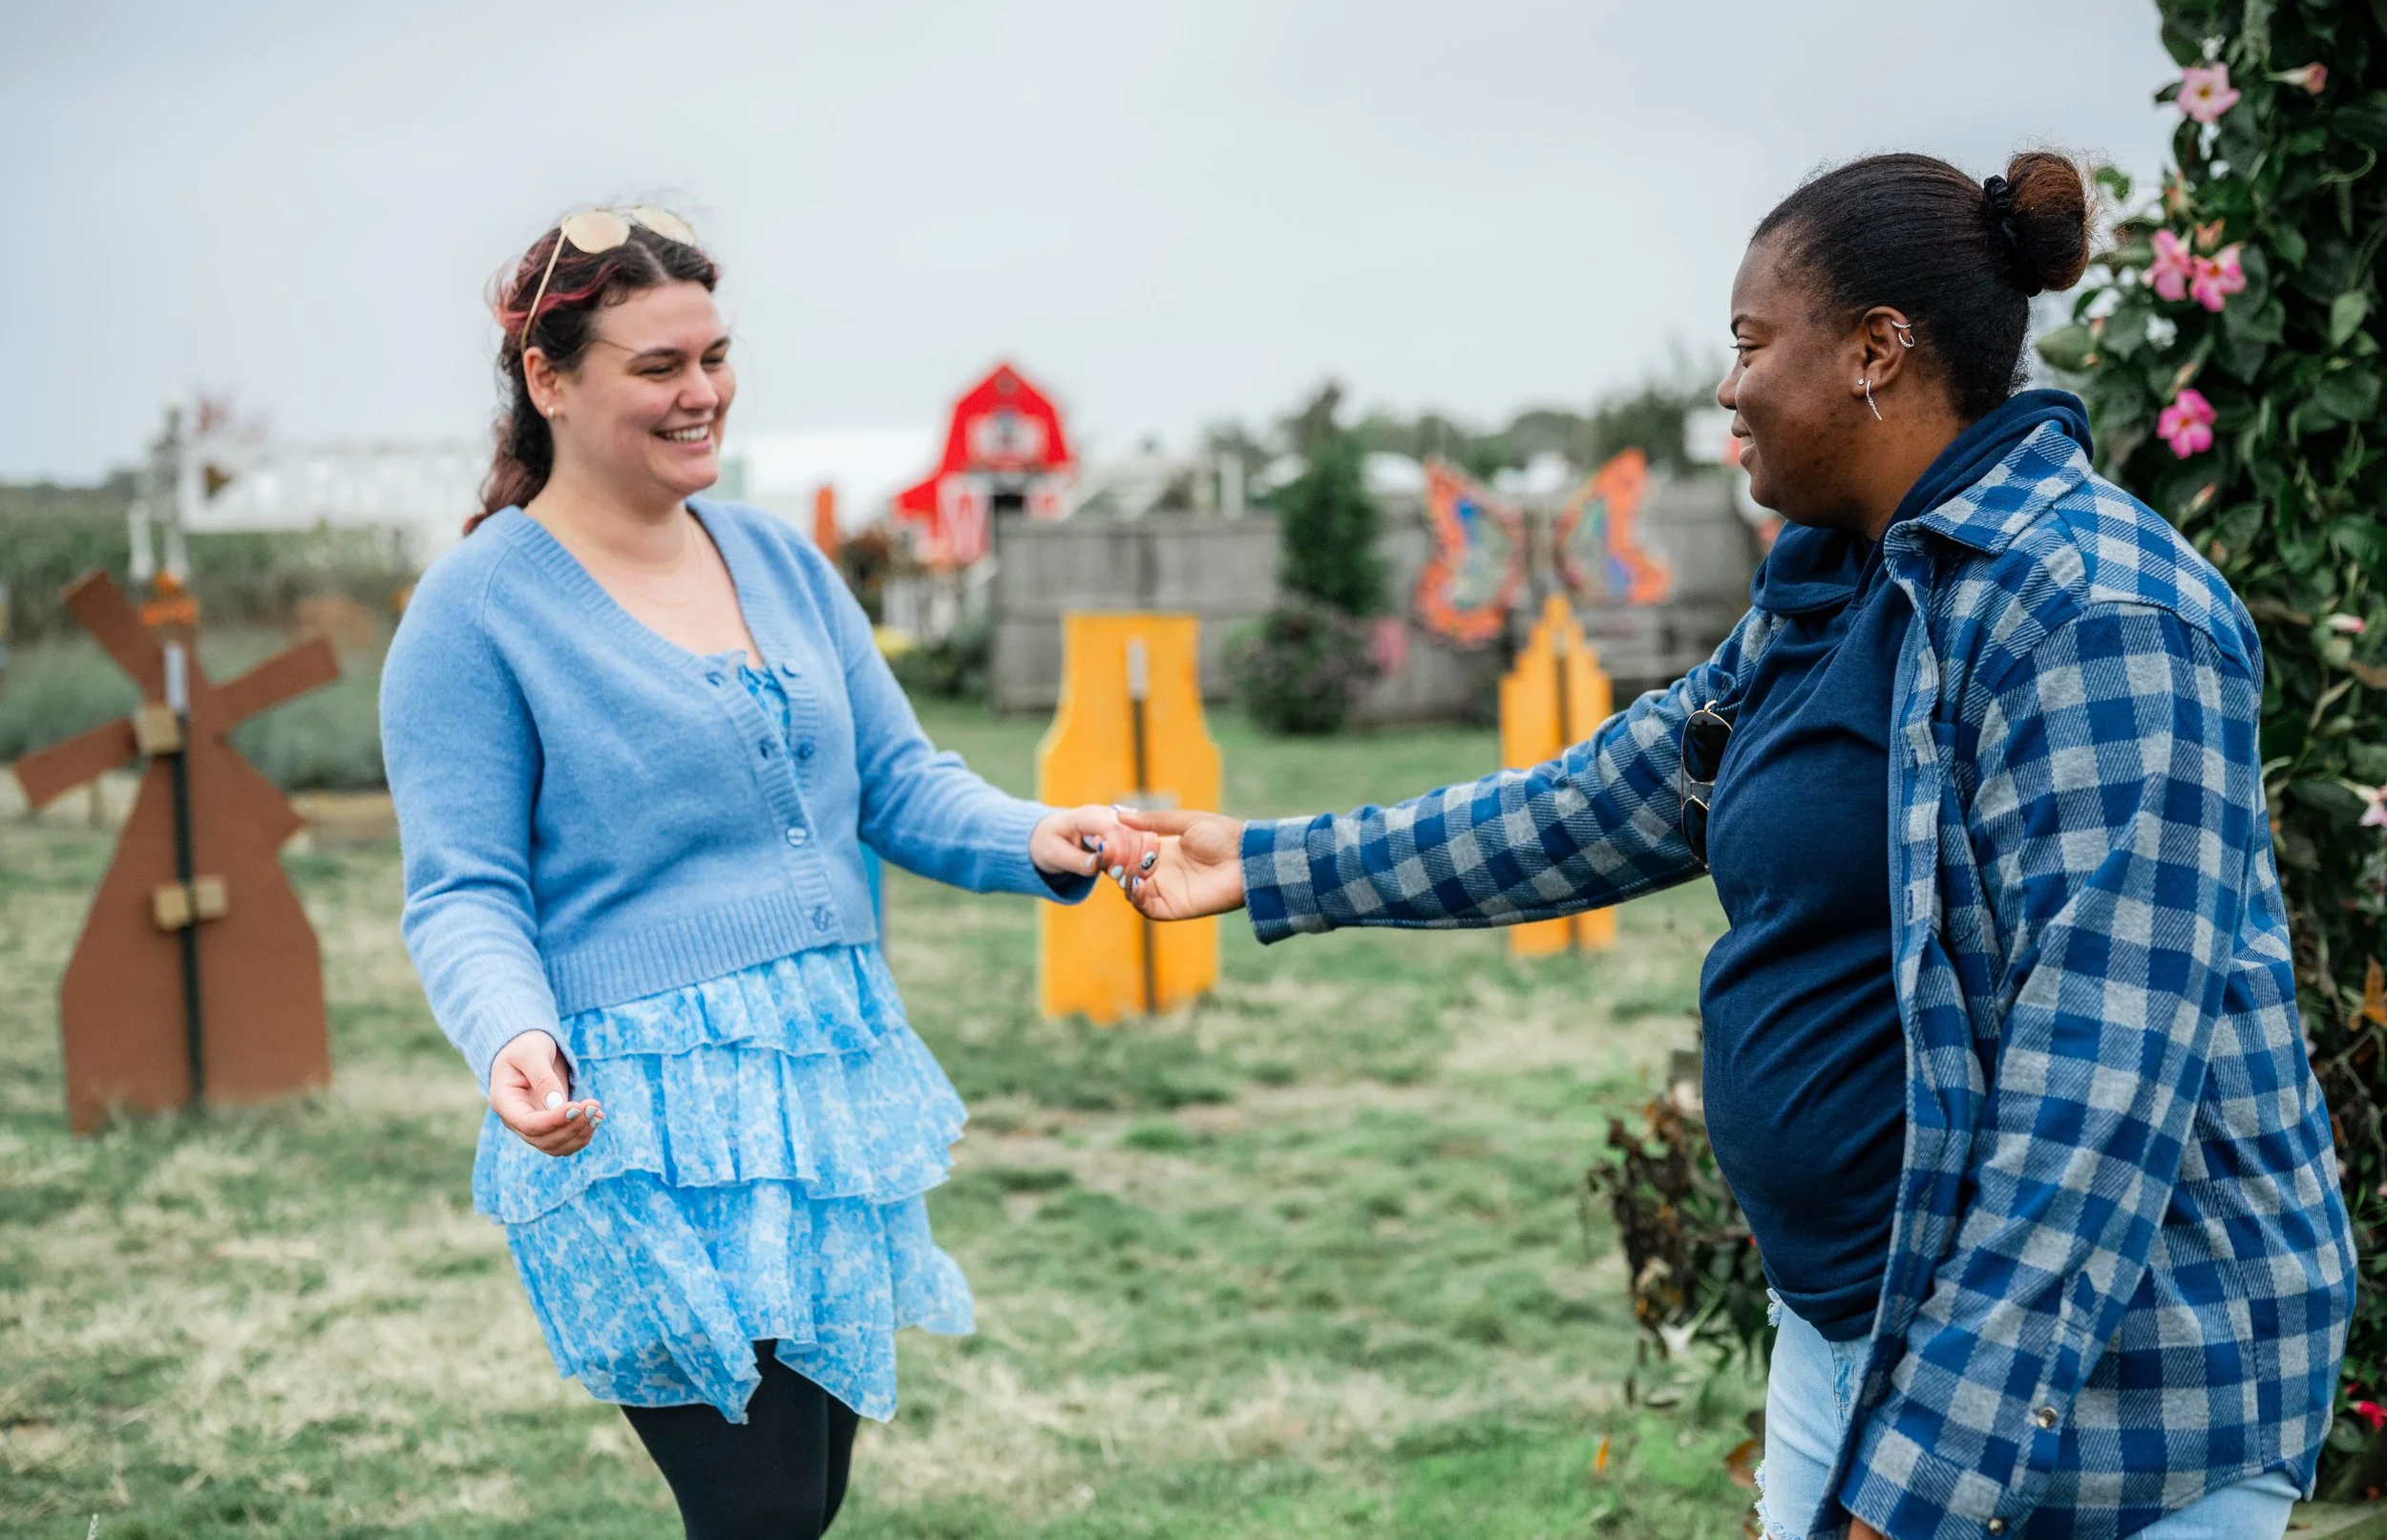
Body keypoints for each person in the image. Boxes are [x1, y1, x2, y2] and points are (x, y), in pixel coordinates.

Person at [1119, 153, 2355, 1540]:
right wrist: (1277, 860)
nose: (1727, 387)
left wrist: (1907, 1499)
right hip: (1853, 1330)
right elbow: (1603, 802)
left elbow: (2098, 1104)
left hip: (2119, 1403)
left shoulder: (2100, 611)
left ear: (1877, 352)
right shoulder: (1836, 587)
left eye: (1753, 345)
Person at [379, 206, 1156, 1540]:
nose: (704, 395)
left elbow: (897, 782)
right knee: (760, 1509)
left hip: (824, 1080)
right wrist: (512, 1033)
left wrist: (1041, 833)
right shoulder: (475, 613)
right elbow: (464, 889)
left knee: (809, 1499)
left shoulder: (779, 560)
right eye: (659, 367)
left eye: (716, 357)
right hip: (643, 1115)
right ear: (549, 380)